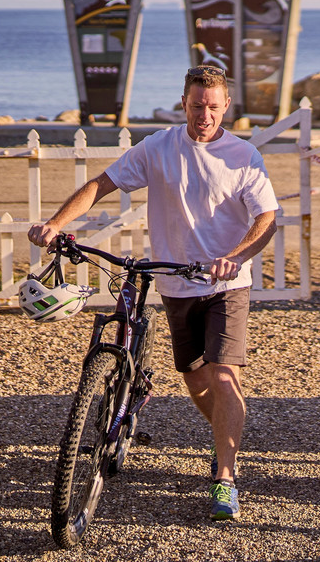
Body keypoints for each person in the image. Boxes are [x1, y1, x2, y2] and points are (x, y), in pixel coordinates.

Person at [28, 65, 278, 521]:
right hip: (174, 284)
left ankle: (225, 476)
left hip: (226, 285)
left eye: (214, 107)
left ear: (226, 107)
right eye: (197, 105)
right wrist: (56, 224)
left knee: (224, 376)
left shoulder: (243, 156)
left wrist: (236, 257)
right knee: (196, 380)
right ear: (184, 102)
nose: (205, 115)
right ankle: (225, 435)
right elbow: (100, 186)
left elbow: (266, 220)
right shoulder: (158, 147)